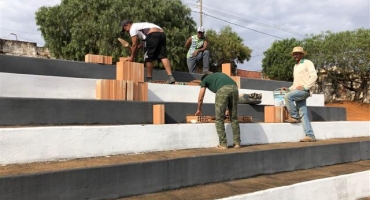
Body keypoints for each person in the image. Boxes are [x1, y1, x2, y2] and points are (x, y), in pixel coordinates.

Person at [195, 72, 241, 149]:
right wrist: (227, 108)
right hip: (235, 88)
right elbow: (228, 89)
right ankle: (237, 143)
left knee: (219, 119)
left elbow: (201, 97)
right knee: (234, 118)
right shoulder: (217, 75)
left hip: (223, 90)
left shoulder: (204, 80)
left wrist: (199, 109)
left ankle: (223, 144)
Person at [121, 19, 175, 84]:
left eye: (125, 29)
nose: (126, 31)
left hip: (152, 34)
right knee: (163, 56)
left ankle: (149, 79)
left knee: (148, 58)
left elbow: (134, 44)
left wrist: (132, 57)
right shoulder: (140, 26)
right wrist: (137, 48)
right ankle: (170, 77)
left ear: (126, 25)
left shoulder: (132, 28)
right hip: (162, 34)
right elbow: (144, 42)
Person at [282, 46, 318, 142]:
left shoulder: (307, 62)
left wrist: (306, 87)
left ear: (302, 54)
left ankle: (294, 116)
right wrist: (289, 89)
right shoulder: (295, 66)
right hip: (298, 90)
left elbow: (314, 76)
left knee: (287, 97)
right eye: (294, 54)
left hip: (304, 91)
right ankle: (310, 136)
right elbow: (296, 84)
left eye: (297, 54)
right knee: (303, 113)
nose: (295, 56)